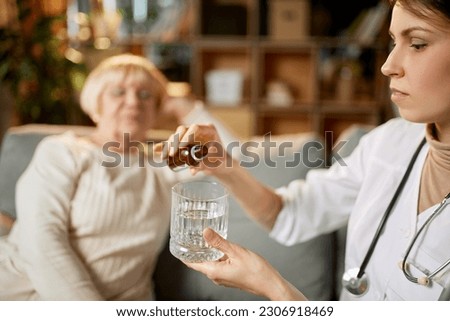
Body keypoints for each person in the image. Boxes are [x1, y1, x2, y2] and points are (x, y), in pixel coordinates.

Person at [161, 0, 450, 300]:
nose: (388, 65)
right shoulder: (388, 144)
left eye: (417, 44)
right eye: (393, 41)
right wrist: (224, 166)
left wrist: (274, 288)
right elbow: (289, 213)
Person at [0, 54, 237, 300]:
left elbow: (235, 158)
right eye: (118, 92)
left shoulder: (161, 166)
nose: (133, 101)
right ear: (96, 104)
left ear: (157, 109)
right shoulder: (63, 151)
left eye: (146, 95)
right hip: (21, 293)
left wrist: (185, 107)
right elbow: (41, 239)